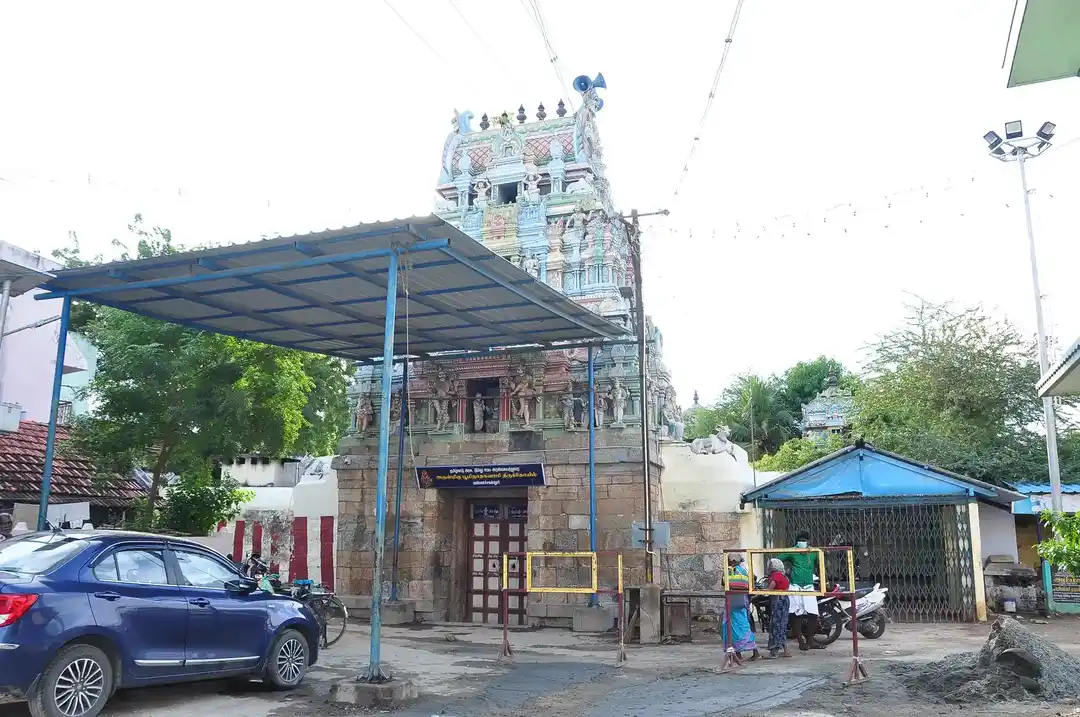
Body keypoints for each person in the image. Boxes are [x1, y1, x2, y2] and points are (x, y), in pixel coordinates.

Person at [777, 531, 824, 651]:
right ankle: (800, 641)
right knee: (796, 614)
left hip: (808, 586)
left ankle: (810, 640)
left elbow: (821, 564)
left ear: (808, 542)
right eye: (800, 540)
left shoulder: (814, 552)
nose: (802, 542)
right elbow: (778, 560)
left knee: (813, 614)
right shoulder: (792, 551)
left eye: (804, 540)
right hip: (795, 586)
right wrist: (784, 573)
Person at [722, 553, 760, 661]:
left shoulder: (727, 572)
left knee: (733, 628)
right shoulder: (745, 572)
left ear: (731, 561)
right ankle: (751, 652)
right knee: (744, 627)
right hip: (743, 603)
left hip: (731, 604)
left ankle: (739, 655)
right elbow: (751, 585)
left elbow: (723, 583)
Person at [765, 557, 792, 658]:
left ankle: (774, 652)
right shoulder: (783, 575)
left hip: (778, 601)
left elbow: (771, 587)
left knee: (775, 625)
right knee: (782, 625)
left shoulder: (775, 575)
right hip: (784, 600)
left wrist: (760, 592)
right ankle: (786, 650)